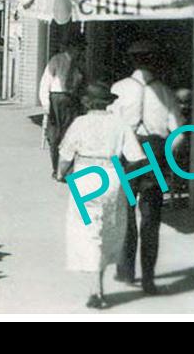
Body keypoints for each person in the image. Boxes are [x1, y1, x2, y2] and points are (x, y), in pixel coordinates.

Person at [57, 81, 146, 309]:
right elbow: (136, 157)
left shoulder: (79, 123)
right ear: (108, 103)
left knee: (87, 231)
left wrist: (60, 173)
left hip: (85, 178)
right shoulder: (119, 124)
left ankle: (95, 289)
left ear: (86, 101)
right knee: (107, 229)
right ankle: (97, 286)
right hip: (111, 177)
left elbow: (66, 153)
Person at [109, 40, 181, 295]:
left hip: (128, 155)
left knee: (125, 213)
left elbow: (112, 127)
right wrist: (164, 155)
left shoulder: (118, 88)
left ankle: (126, 271)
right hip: (155, 155)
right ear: (153, 62)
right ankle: (148, 278)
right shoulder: (165, 92)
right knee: (151, 217)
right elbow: (179, 134)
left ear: (132, 61)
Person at [39, 33, 87, 180]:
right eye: (79, 48)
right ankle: (57, 169)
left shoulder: (80, 63)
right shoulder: (57, 60)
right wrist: (46, 103)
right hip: (57, 98)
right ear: (72, 47)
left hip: (71, 99)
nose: (80, 51)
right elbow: (45, 81)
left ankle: (67, 170)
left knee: (70, 134)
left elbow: (82, 82)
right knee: (55, 136)